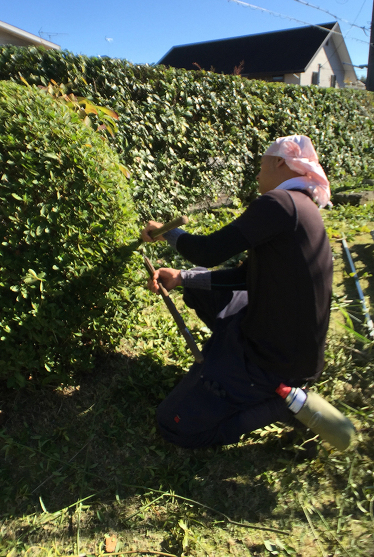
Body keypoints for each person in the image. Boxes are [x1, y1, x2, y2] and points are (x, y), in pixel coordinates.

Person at [140, 135, 333, 449]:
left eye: (261, 166)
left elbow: (210, 251)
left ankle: (280, 404)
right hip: (282, 340)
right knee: (199, 282)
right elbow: (246, 276)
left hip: (274, 361)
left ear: (280, 163)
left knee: (174, 424)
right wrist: (181, 277)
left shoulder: (281, 204)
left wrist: (168, 233)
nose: (257, 175)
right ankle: (227, 361)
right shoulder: (298, 208)